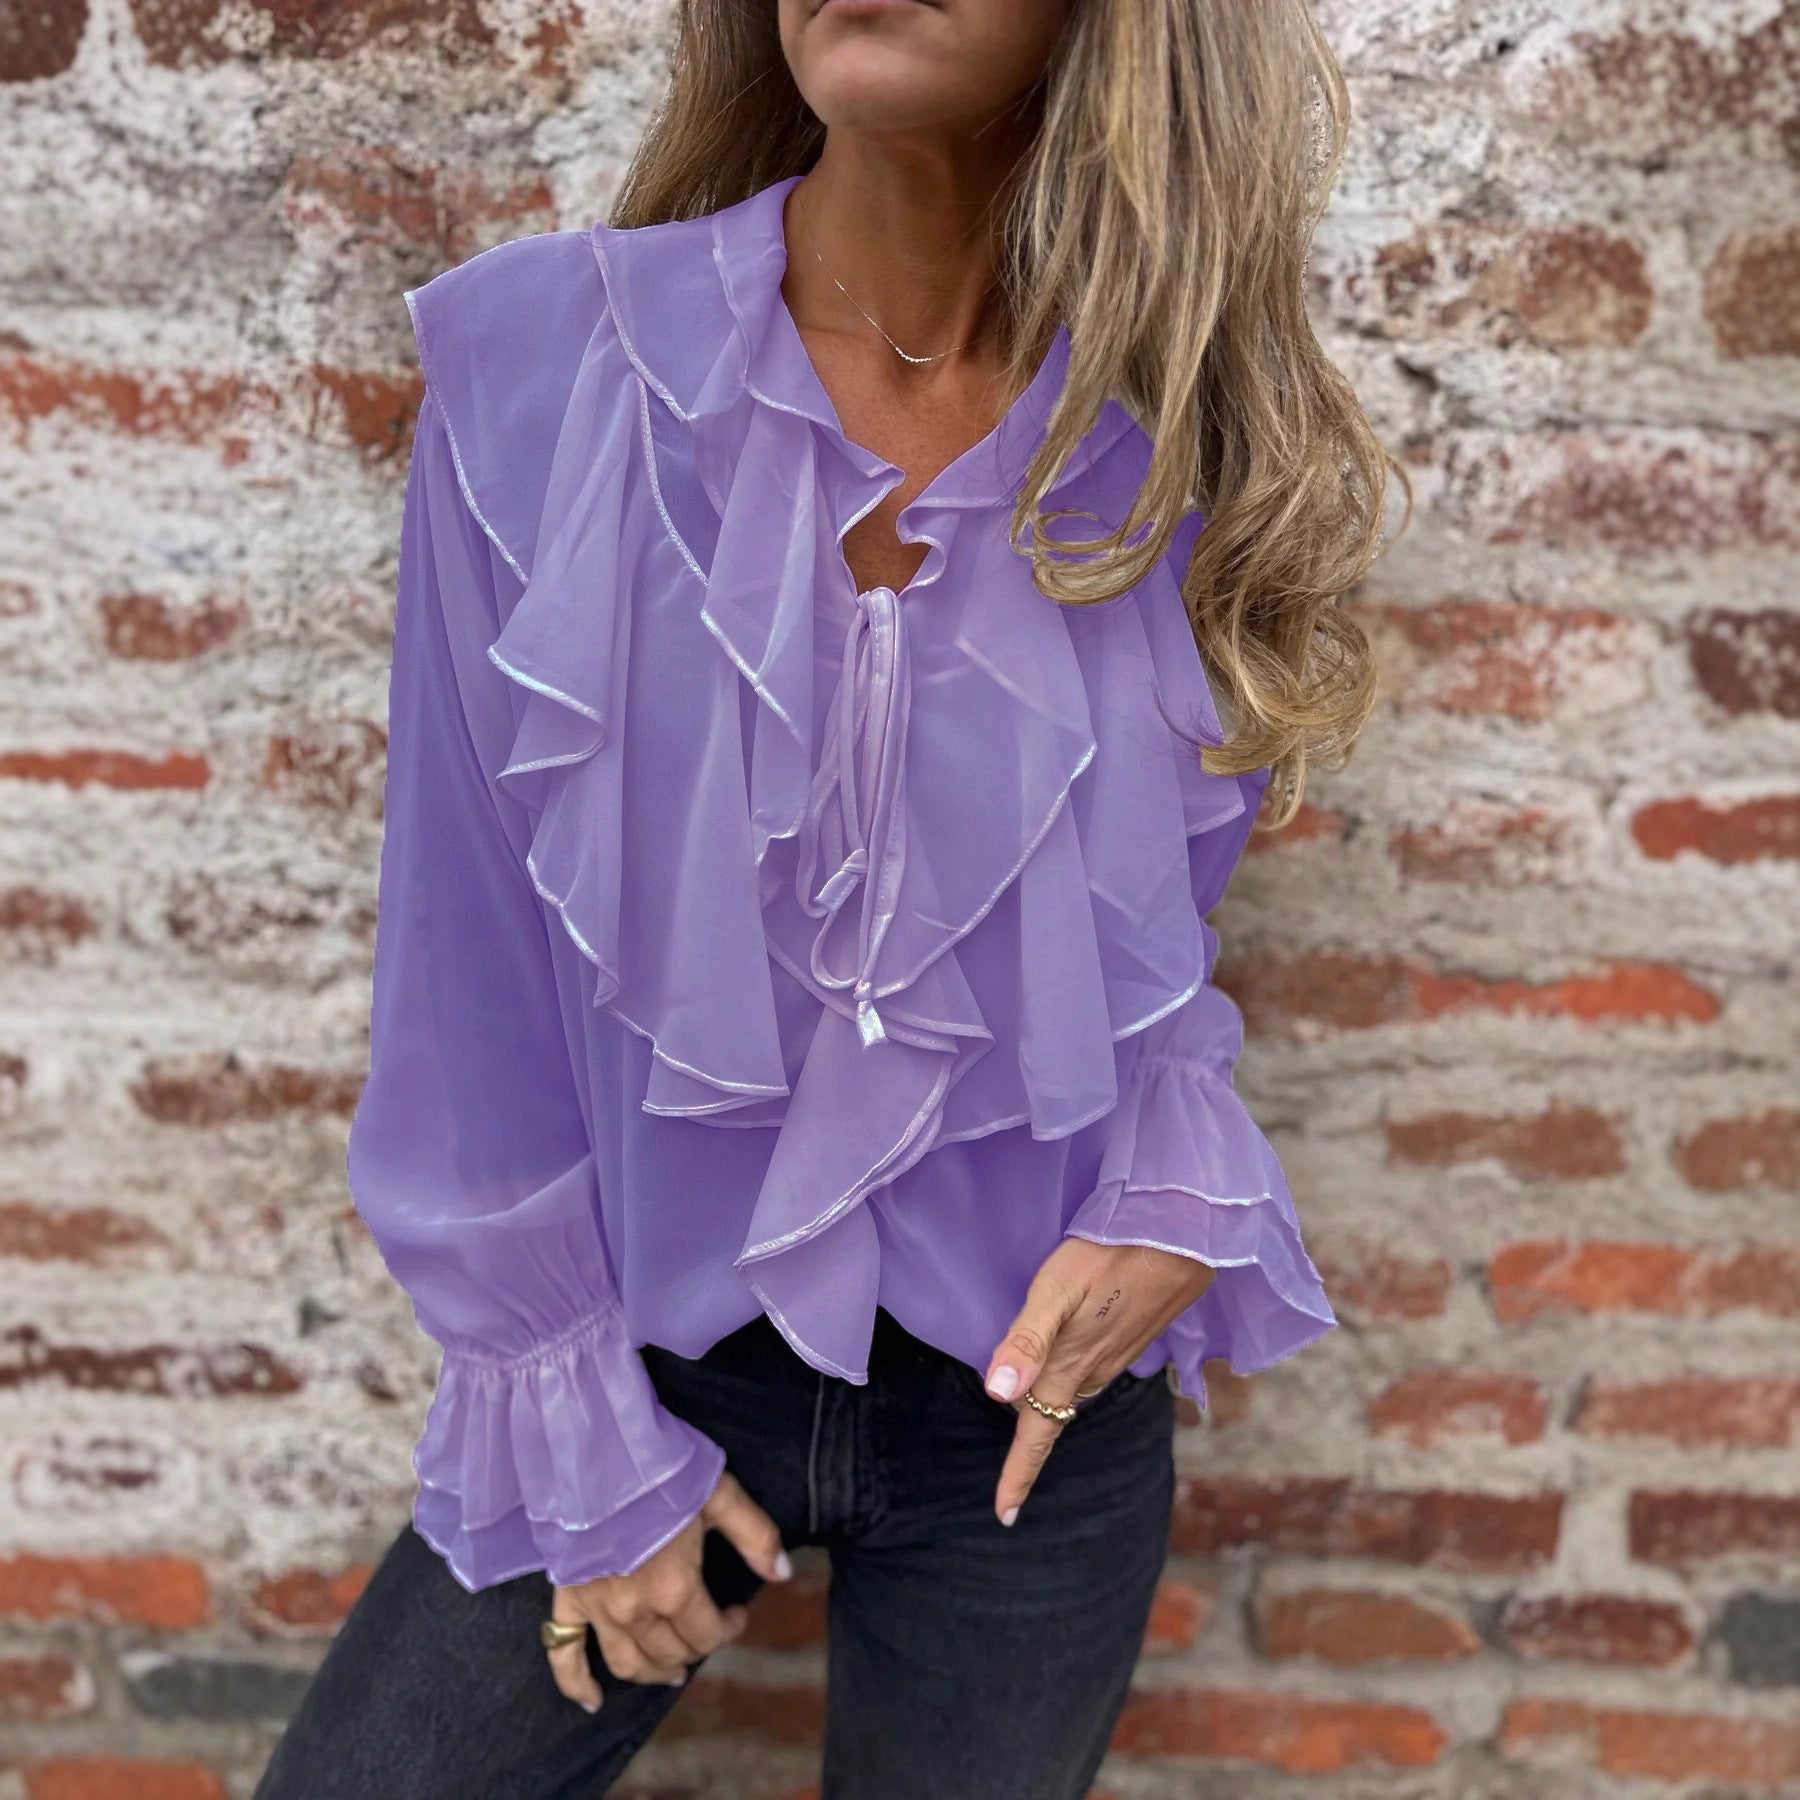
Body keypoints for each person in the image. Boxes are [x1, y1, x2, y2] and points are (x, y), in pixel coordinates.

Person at [253, 1, 1394, 1795]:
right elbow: (466, 966)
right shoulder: (545, 366)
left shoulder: (1179, 428)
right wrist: (580, 1435)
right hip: (646, 1366)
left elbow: (1152, 963)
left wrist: (1179, 1197)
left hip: (1034, 1417)